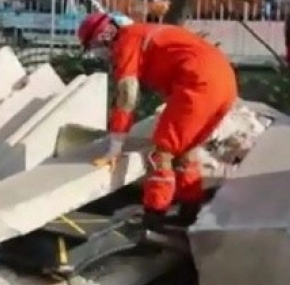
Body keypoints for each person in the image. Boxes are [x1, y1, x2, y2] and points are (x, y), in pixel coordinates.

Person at [76, 12, 238, 227]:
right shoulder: (146, 32)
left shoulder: (127, 41)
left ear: (103, 37)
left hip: (199, 82)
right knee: (186, 150)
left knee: (162, 153)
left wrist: (114, 147)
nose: (100, 54)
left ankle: (153, 218)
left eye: (95, 47)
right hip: (224, 82)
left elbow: (127, 94)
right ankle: (189, 214)